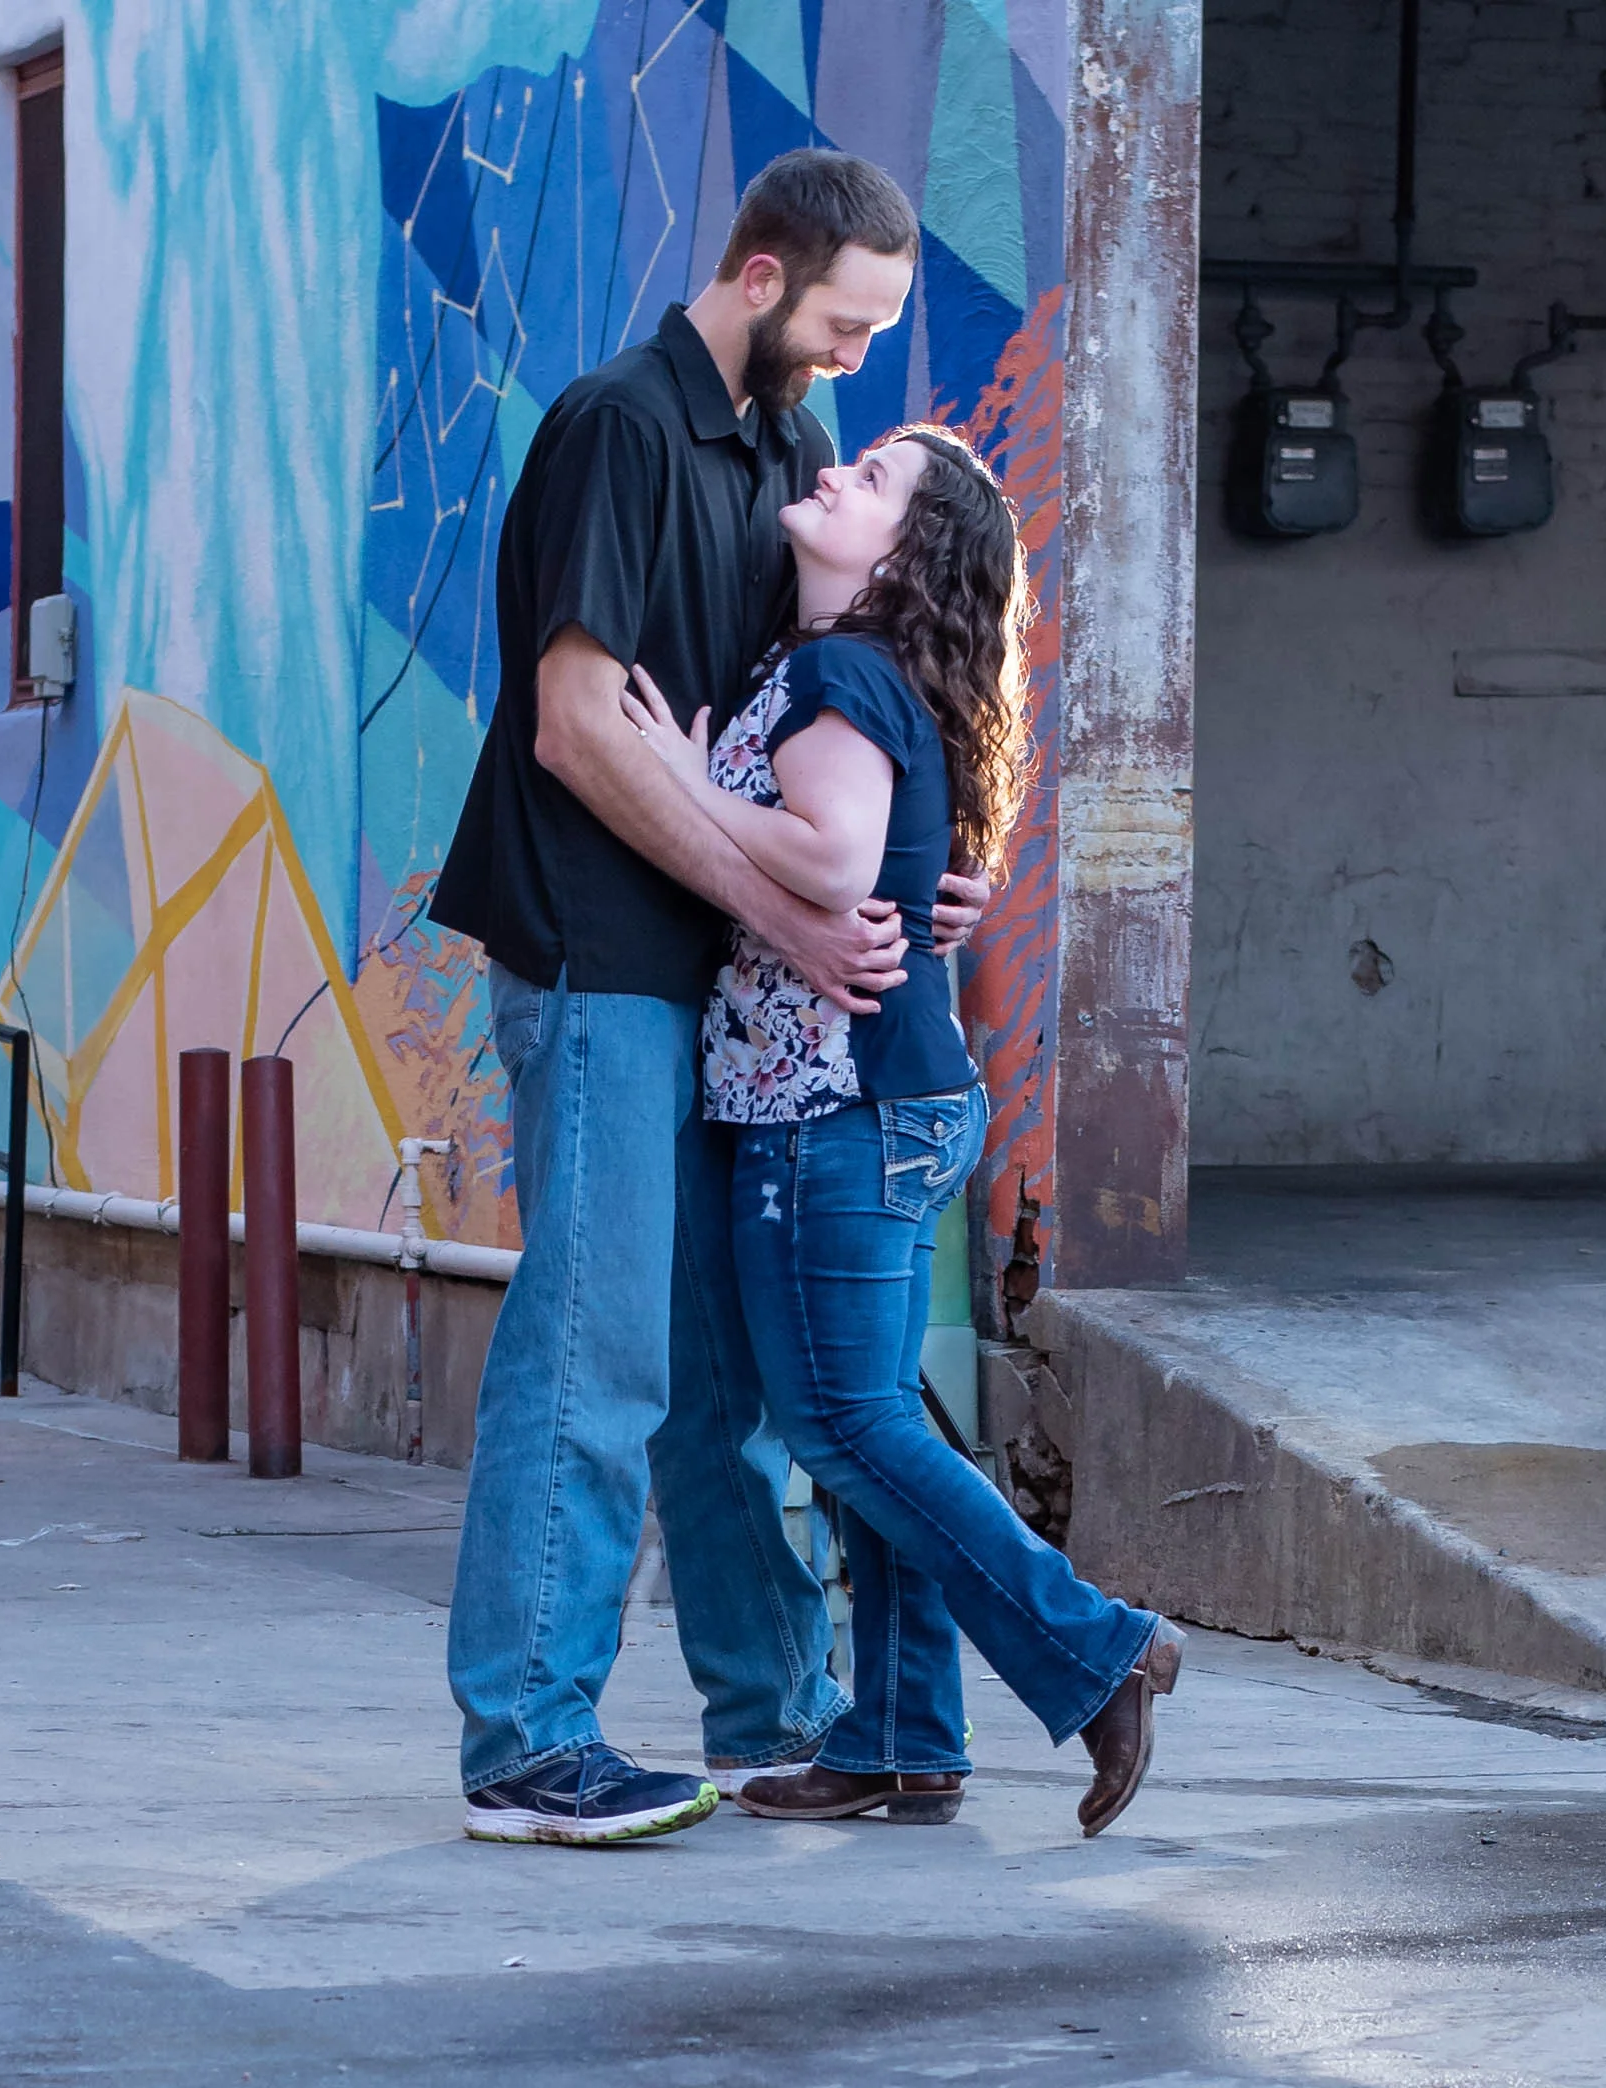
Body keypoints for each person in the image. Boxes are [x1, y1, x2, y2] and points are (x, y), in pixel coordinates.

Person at [429, 151, 987, 1851]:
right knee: (599, 1352)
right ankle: (528, 1742)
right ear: (759, 275)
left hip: (734, 994)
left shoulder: (796, 454)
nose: (853, 362)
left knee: (726, 1382)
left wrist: (894, 890)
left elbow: (789, 741)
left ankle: (775, 1715)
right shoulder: (619, 424)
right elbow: (583, 726)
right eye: (842, 322)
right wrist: (791, 914)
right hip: (601, 957)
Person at [621, 423, 1182, 1837]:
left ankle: (1098, 1648)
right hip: (874, 1101)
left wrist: (676, 783)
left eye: (872, 482)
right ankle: (903, 1734)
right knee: (874, 1420)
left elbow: (831, 859)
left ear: (903, 557)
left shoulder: (832, 671)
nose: (835, 477)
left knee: (844, 1419)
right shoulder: (845, 672)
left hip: (837, 1106)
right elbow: (890, 864)